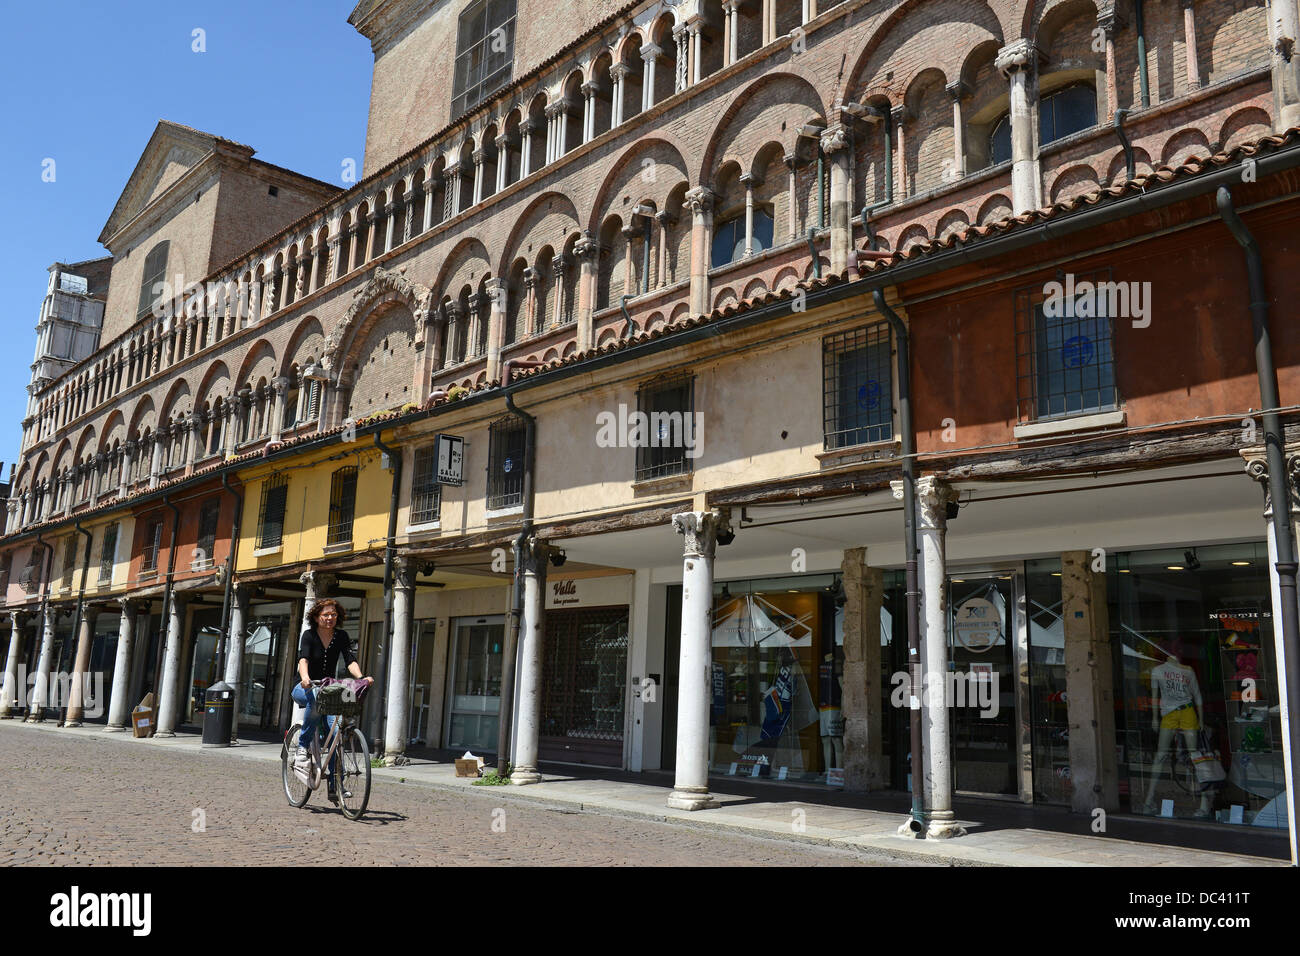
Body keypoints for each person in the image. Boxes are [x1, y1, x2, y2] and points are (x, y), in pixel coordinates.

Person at [292, 599, 373, 802]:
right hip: (304, 687)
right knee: (315, 700)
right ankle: (302, 747)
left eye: (333, 615)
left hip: (326, 689)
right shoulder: (309, 635)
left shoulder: (341, 636)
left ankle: (335, 786)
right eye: (326, 615)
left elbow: (349, 659)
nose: (330, 618)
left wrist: (361, 677)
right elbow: (304, 659)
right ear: (317, 616)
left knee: (335, 734)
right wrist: (305, 678)